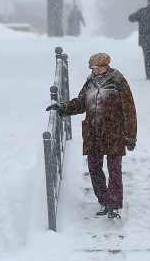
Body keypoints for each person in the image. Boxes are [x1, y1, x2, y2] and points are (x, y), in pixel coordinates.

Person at [45, 53, 137, 220]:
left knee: (114, 169)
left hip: (113, 132)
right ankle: (103, 200)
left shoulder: (118, 82)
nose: (94, 71)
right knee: (94, 168)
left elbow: (129, 110)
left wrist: (131, 136)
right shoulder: (90, 82)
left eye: (97, 68)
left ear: (106, 66)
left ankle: (114, 205)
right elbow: (81, 103)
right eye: (92, 68)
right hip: (93, 133)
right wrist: (63, 107)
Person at [128, 0, 150, 81]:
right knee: (147, 58)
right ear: (148, 1)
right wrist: (134, 16)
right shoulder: (142, 11)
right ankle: (149, 75)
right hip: (144, 38)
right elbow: (131, 18)